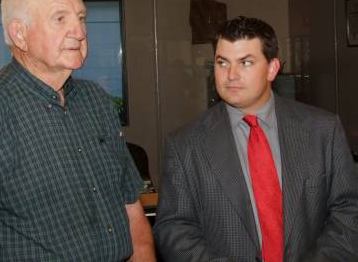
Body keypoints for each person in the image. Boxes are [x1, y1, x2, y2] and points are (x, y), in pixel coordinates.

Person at [0, 0, 155, 262]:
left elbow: (131, 208)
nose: (79, 31)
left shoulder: (96, 101)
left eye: (81, 18)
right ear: (19, 34)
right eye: (60, 19)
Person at [153, 16, 358, 262]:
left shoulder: (323, 130)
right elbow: (174, 228)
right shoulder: (185, 144)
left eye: (246, 62)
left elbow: (349, 212)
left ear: (272, 68)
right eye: (222, 63)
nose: (231, 75)